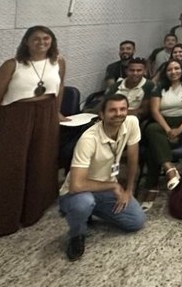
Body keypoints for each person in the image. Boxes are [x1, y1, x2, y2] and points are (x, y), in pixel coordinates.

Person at [0, 25, 66, 237]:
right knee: (10, 165)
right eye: (36, 38)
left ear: (52, 41)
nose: (41, 42)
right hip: (16, 117)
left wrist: (56, 113)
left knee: (40, 161)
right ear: (26, 42)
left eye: (46, 38)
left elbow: (60, 88)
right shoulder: (12, 65)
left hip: (46, 115)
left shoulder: (58, 61)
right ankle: (2, 218)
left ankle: (31, 212)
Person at [58, 94, 145, 260]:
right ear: (102, 114)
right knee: (83, 203)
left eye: (122, 109)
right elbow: (76, 185)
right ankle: (77, 234)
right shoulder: (88, 139)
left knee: (136, 221)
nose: (118, 114)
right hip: (76, 192)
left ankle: (90, 210)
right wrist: (114, 186)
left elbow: (133, 157)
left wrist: (129, 190)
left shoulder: (131, 122)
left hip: (104, 188)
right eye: (112, 110)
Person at [141, 59, 182, 209]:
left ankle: (152, 187)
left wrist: (179, 129)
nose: (173, 72)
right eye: (170, 69)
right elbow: (155, 111)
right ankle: (169, 168)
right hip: (162, 123)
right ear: (165, 72)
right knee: (152, 129)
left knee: (152, 147)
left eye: (177, 68)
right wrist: (167, 129)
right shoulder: (159, 87)